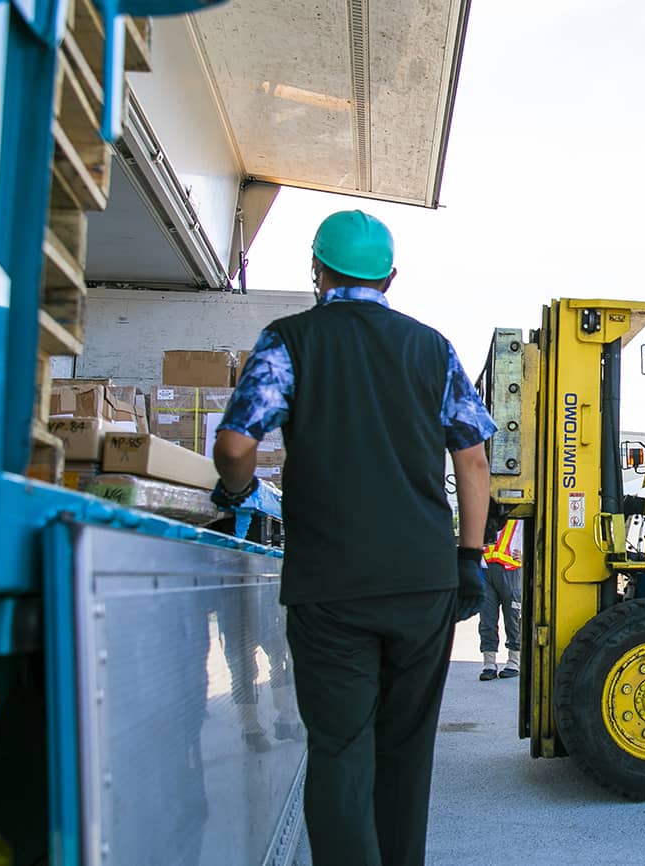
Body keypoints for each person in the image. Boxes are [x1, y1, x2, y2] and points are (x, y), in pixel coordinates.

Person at [212, 210, 496, 866]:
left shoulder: (289, 341)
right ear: (391, 277)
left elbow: (234, 446)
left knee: (340, 751)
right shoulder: (432, 348)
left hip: (329, 586)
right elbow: (474, 458)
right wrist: (470, 559)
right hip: (423, 582)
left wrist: (234, 492)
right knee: (405, 753)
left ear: (317, 269)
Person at [478, 518, 522, 681]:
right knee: (487, 619)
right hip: (486, 569)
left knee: (513, 618)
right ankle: (489, 663)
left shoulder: (520, 514)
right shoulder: (489, 510)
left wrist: (526, 554)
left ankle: (513, 661)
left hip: (511, 570)